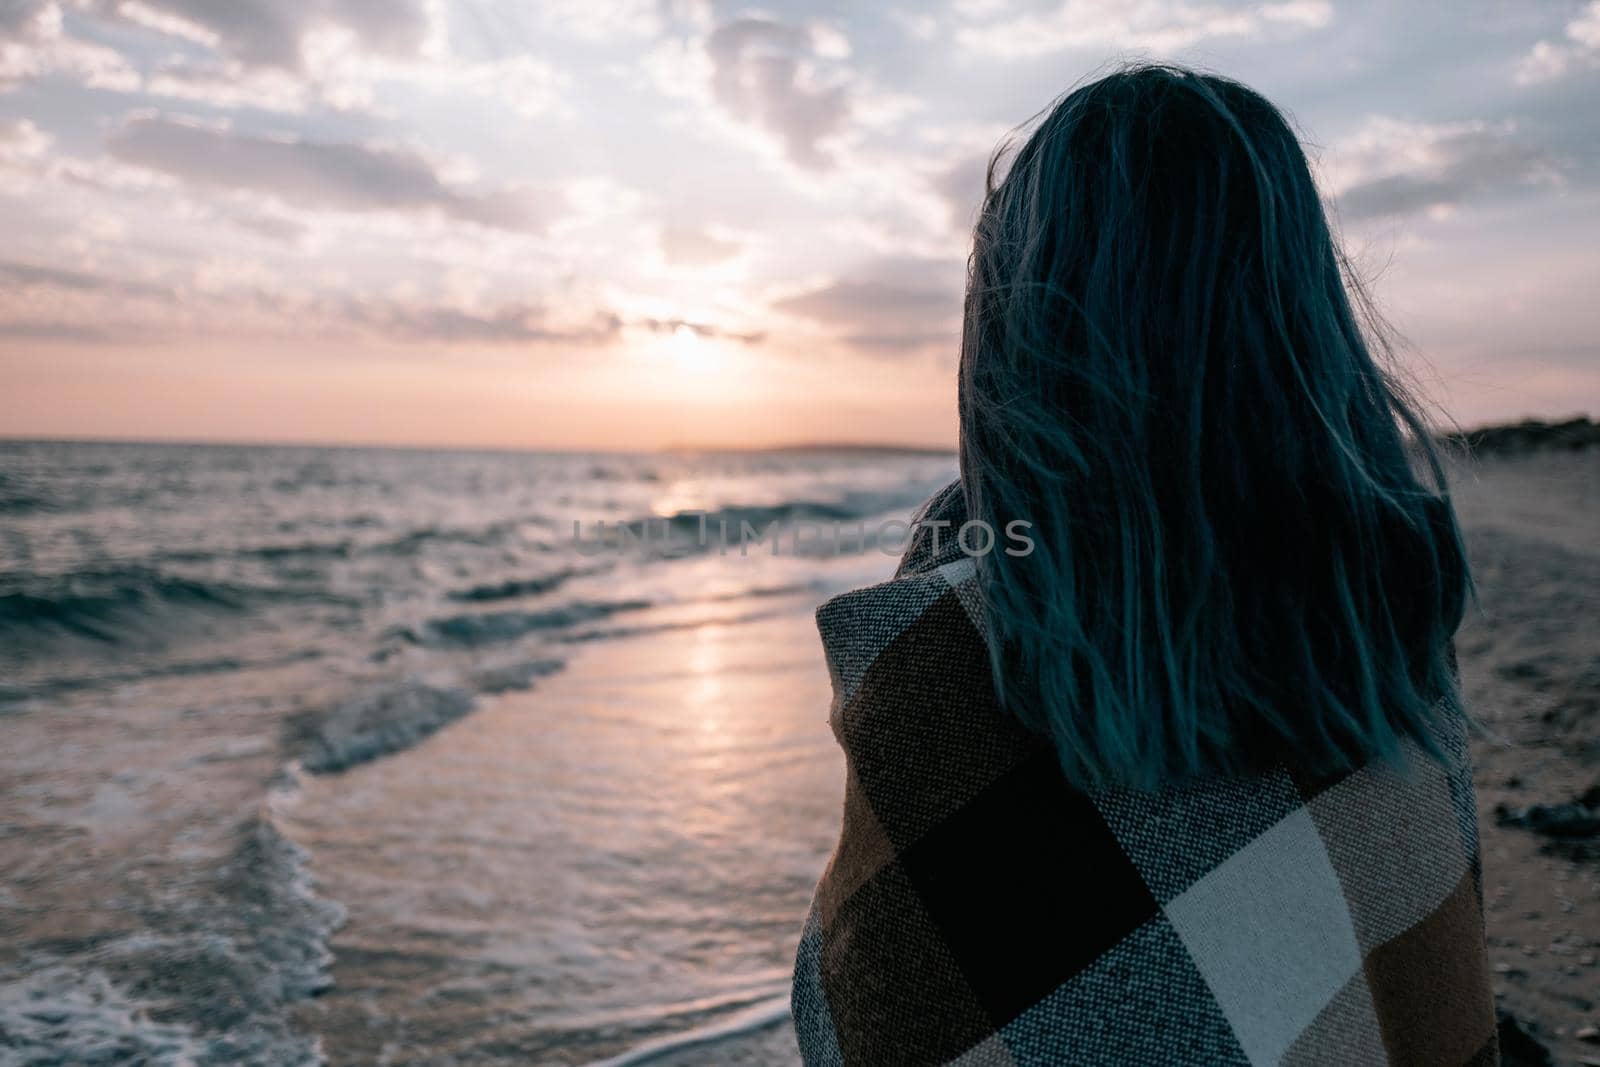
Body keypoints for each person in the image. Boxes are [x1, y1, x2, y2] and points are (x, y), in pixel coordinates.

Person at [792, 64, 1495, 1066]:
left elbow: (854, 1018)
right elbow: (1431, 994)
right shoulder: (1387, 612)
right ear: (1300, 314)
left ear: (1011, 330)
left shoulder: (944, 673)